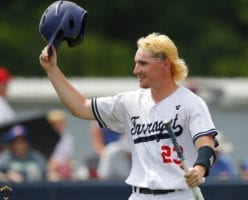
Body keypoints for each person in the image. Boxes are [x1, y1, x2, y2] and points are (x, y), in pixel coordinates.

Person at [39, 32, 218, 200]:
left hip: (179, 195)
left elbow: (206, 143)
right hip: (139, 195)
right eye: (136, 63)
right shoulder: (129, 102)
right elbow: (80, 107)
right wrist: (52, 70)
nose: (136, 70)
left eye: (143, 63)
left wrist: (199, 169)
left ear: (165, 64)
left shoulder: (190, 102)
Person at [46, 109, 75, 181]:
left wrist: (66, 167)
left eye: (60, 123)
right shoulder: (45, 139)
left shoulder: (68, 138)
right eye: (55, 123)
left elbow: (69, 158)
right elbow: (45, 160)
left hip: (64, 169)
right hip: (49, 170)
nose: (58, 125)